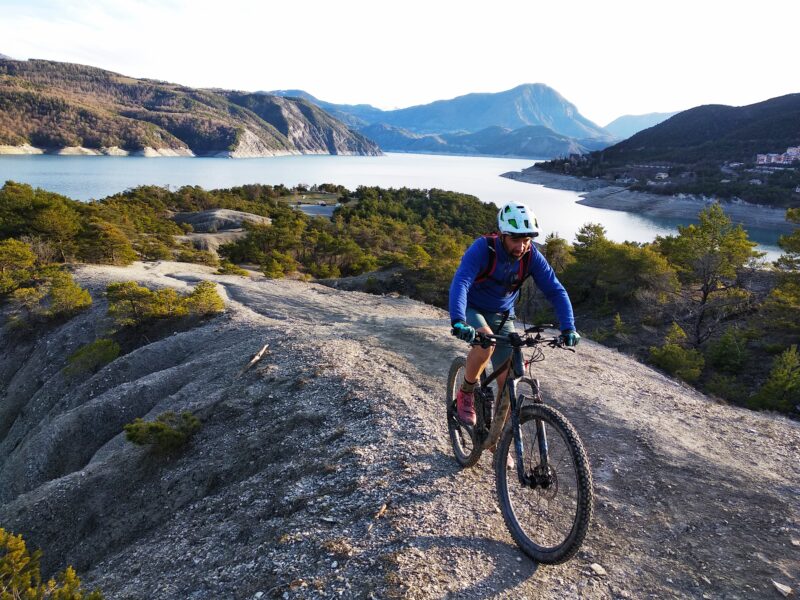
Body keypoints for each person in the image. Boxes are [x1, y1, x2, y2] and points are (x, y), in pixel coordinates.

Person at [448, 202, 580, 426]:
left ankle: (498, 439)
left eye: (526, 240)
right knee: (486, 343)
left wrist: (568, 327)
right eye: (515, 240)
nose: (521, 246)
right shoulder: (483, 249)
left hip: (503, 315)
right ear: (502, 235)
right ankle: (466, 391)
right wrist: (459, 321)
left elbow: (555, 290)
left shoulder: (531, 256)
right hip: (473, 308)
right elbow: (461, 282)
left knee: (509, 381)